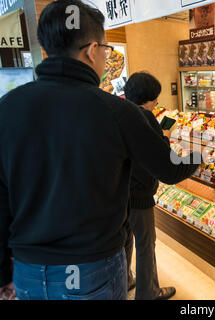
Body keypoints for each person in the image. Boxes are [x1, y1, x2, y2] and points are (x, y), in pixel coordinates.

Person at [0, 0, 199, 300]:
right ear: (92, 50)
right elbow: (169, 168)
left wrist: (4, 272)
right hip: (91, 267)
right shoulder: (118, 112)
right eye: (106, 50)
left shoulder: (7, 108)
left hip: (27, 268)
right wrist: (199, 157)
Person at [123, 72, 176, 300]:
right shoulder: (146, 118)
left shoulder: (121, 113)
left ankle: (124, 280)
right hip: (140, 193)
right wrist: (164, 135)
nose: (156, 104)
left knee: (124, 239)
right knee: (146, 244)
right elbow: (159, 159)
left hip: (120, 192)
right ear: (148, 98)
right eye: (155, 100)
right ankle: (149, 294)